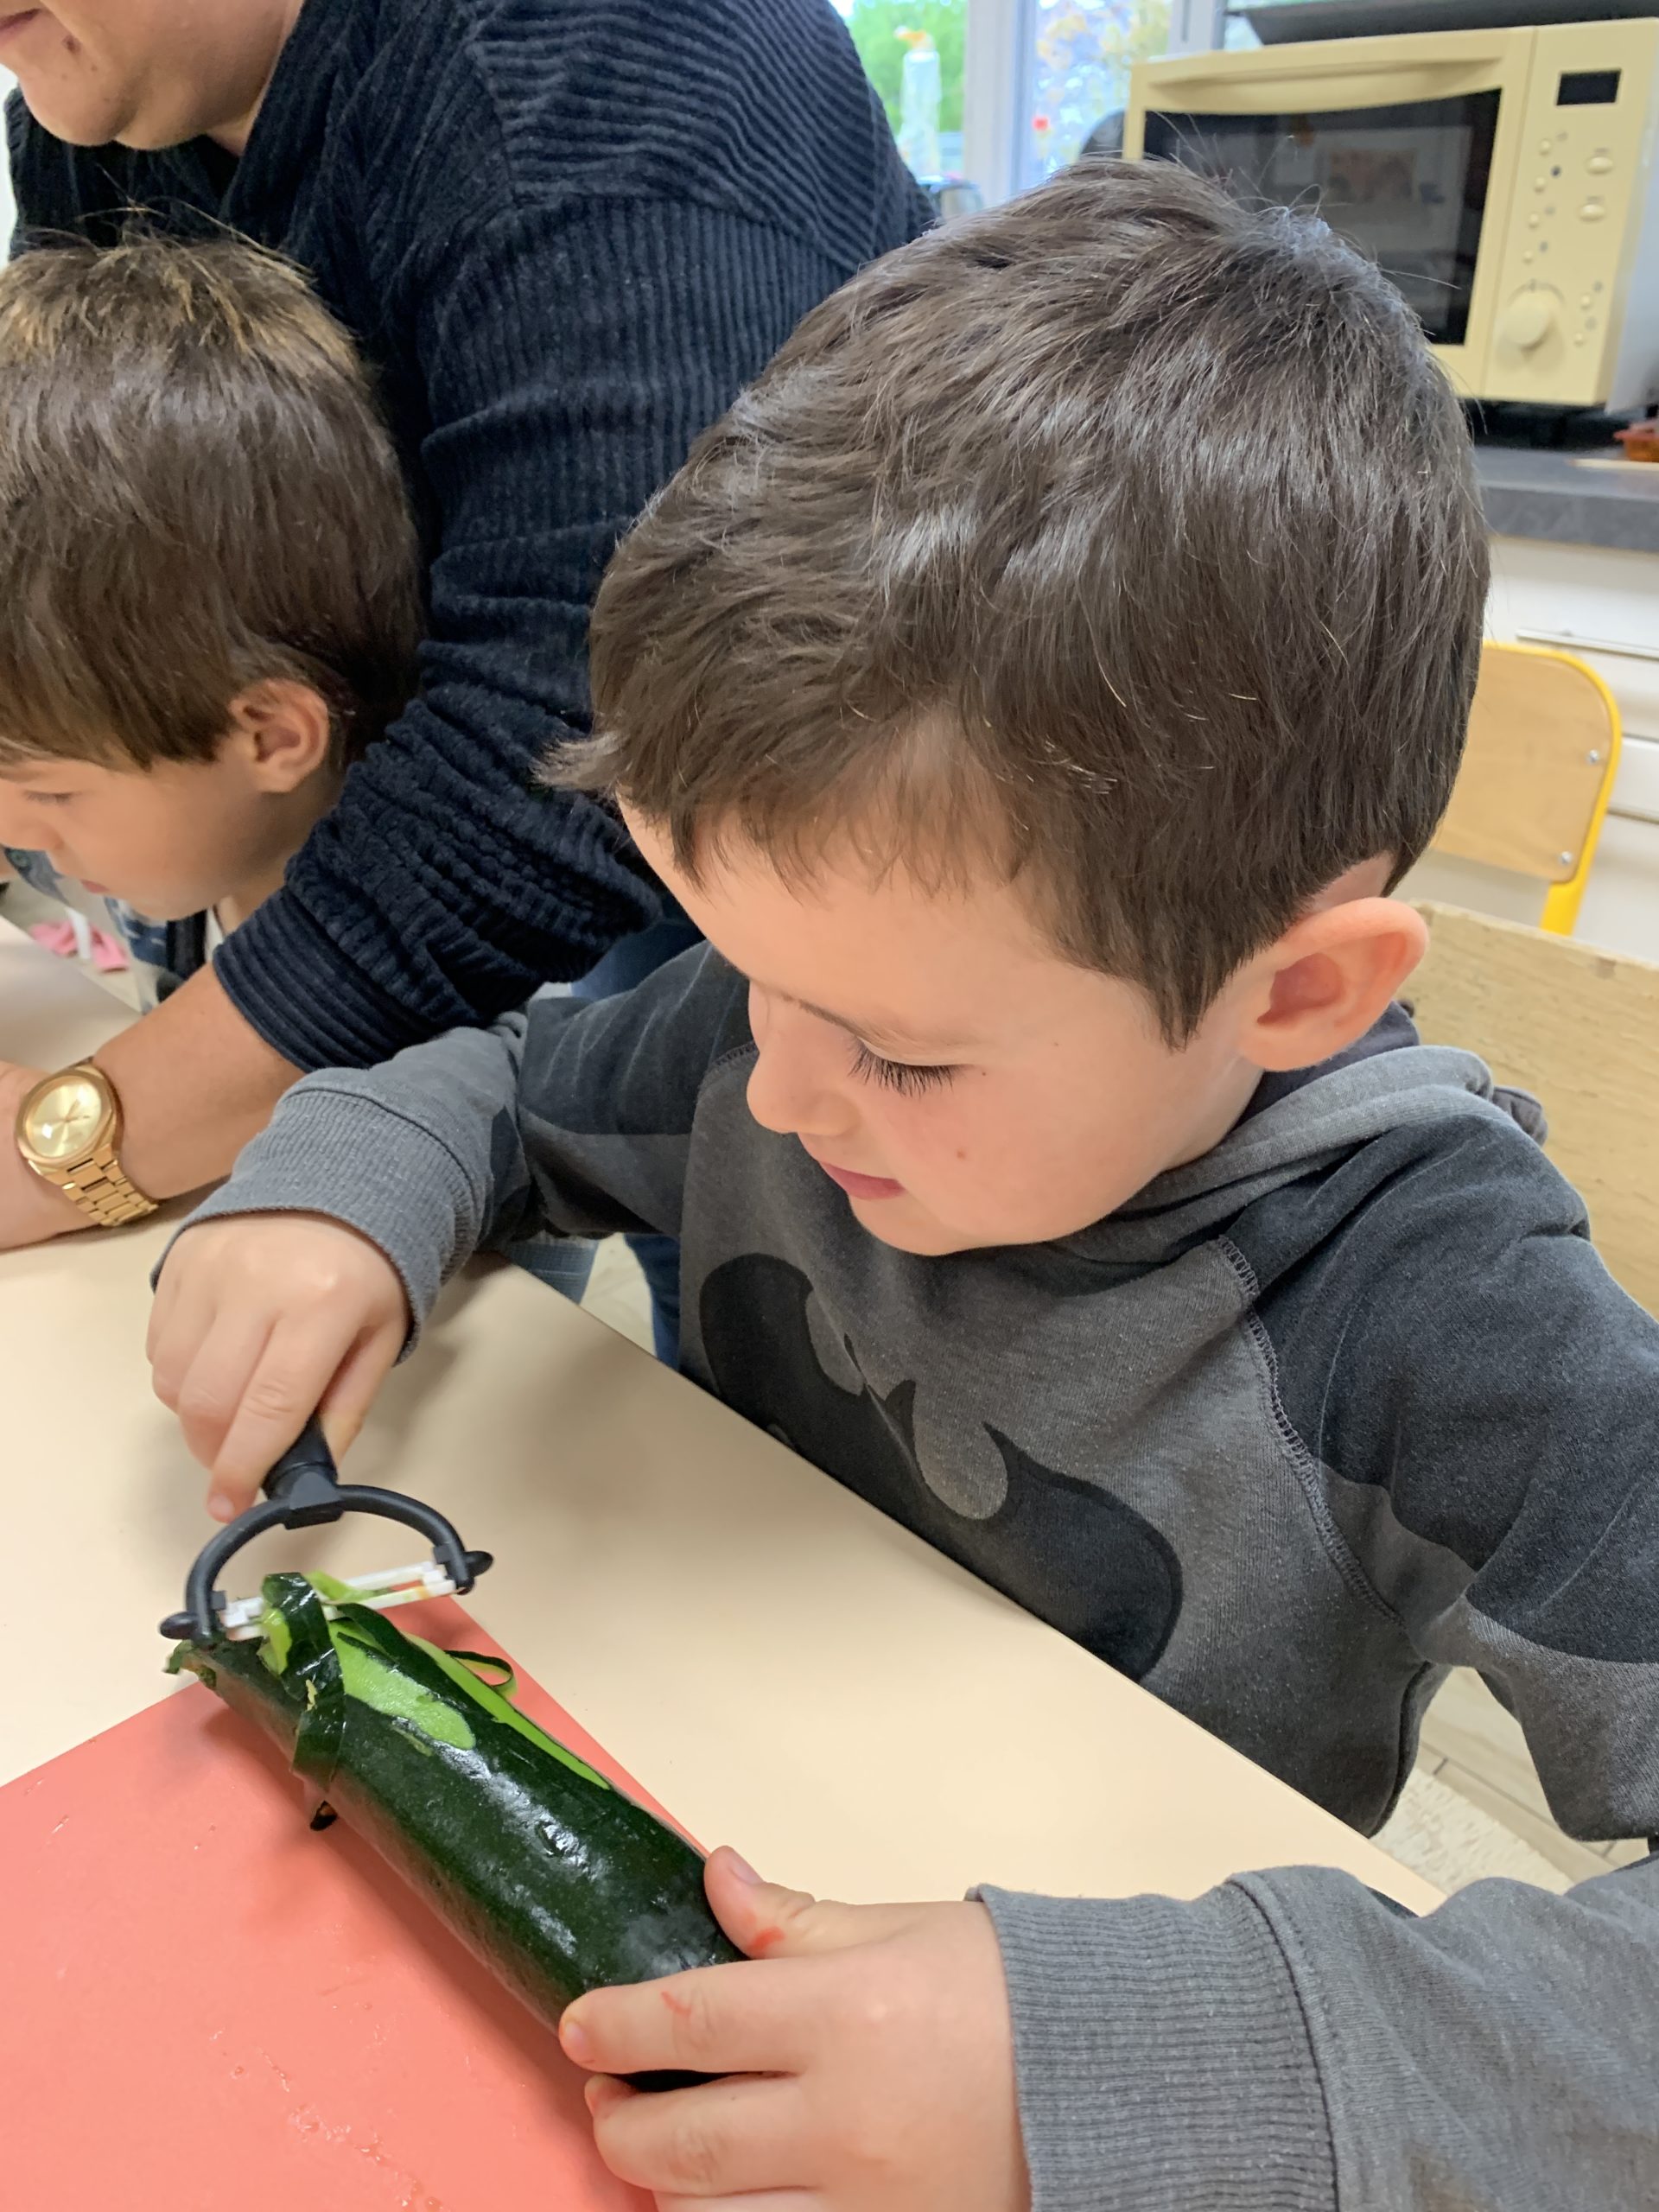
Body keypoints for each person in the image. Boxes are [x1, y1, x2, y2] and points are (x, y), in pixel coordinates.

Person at [147, 164, 1659, 2208]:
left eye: (904, 1052)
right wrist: (342, 1186)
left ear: (1294, 991)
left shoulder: (1446, 1309)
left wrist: (1112, 2059)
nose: (773, 1084)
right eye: (744, 966)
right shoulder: (785, 1036)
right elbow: (509, 1079)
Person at [0, 0, 930, 1285]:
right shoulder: (96, 100)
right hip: (402, 852)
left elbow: (582, 736)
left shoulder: (608, 71)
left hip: (775, 867)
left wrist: (80, 1145)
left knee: (738, 1277)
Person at [0, 236, 420, 1023]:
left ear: (271, 738)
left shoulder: (424, 1005)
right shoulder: (179, 828)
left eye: (50, 790)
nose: (13, 828)